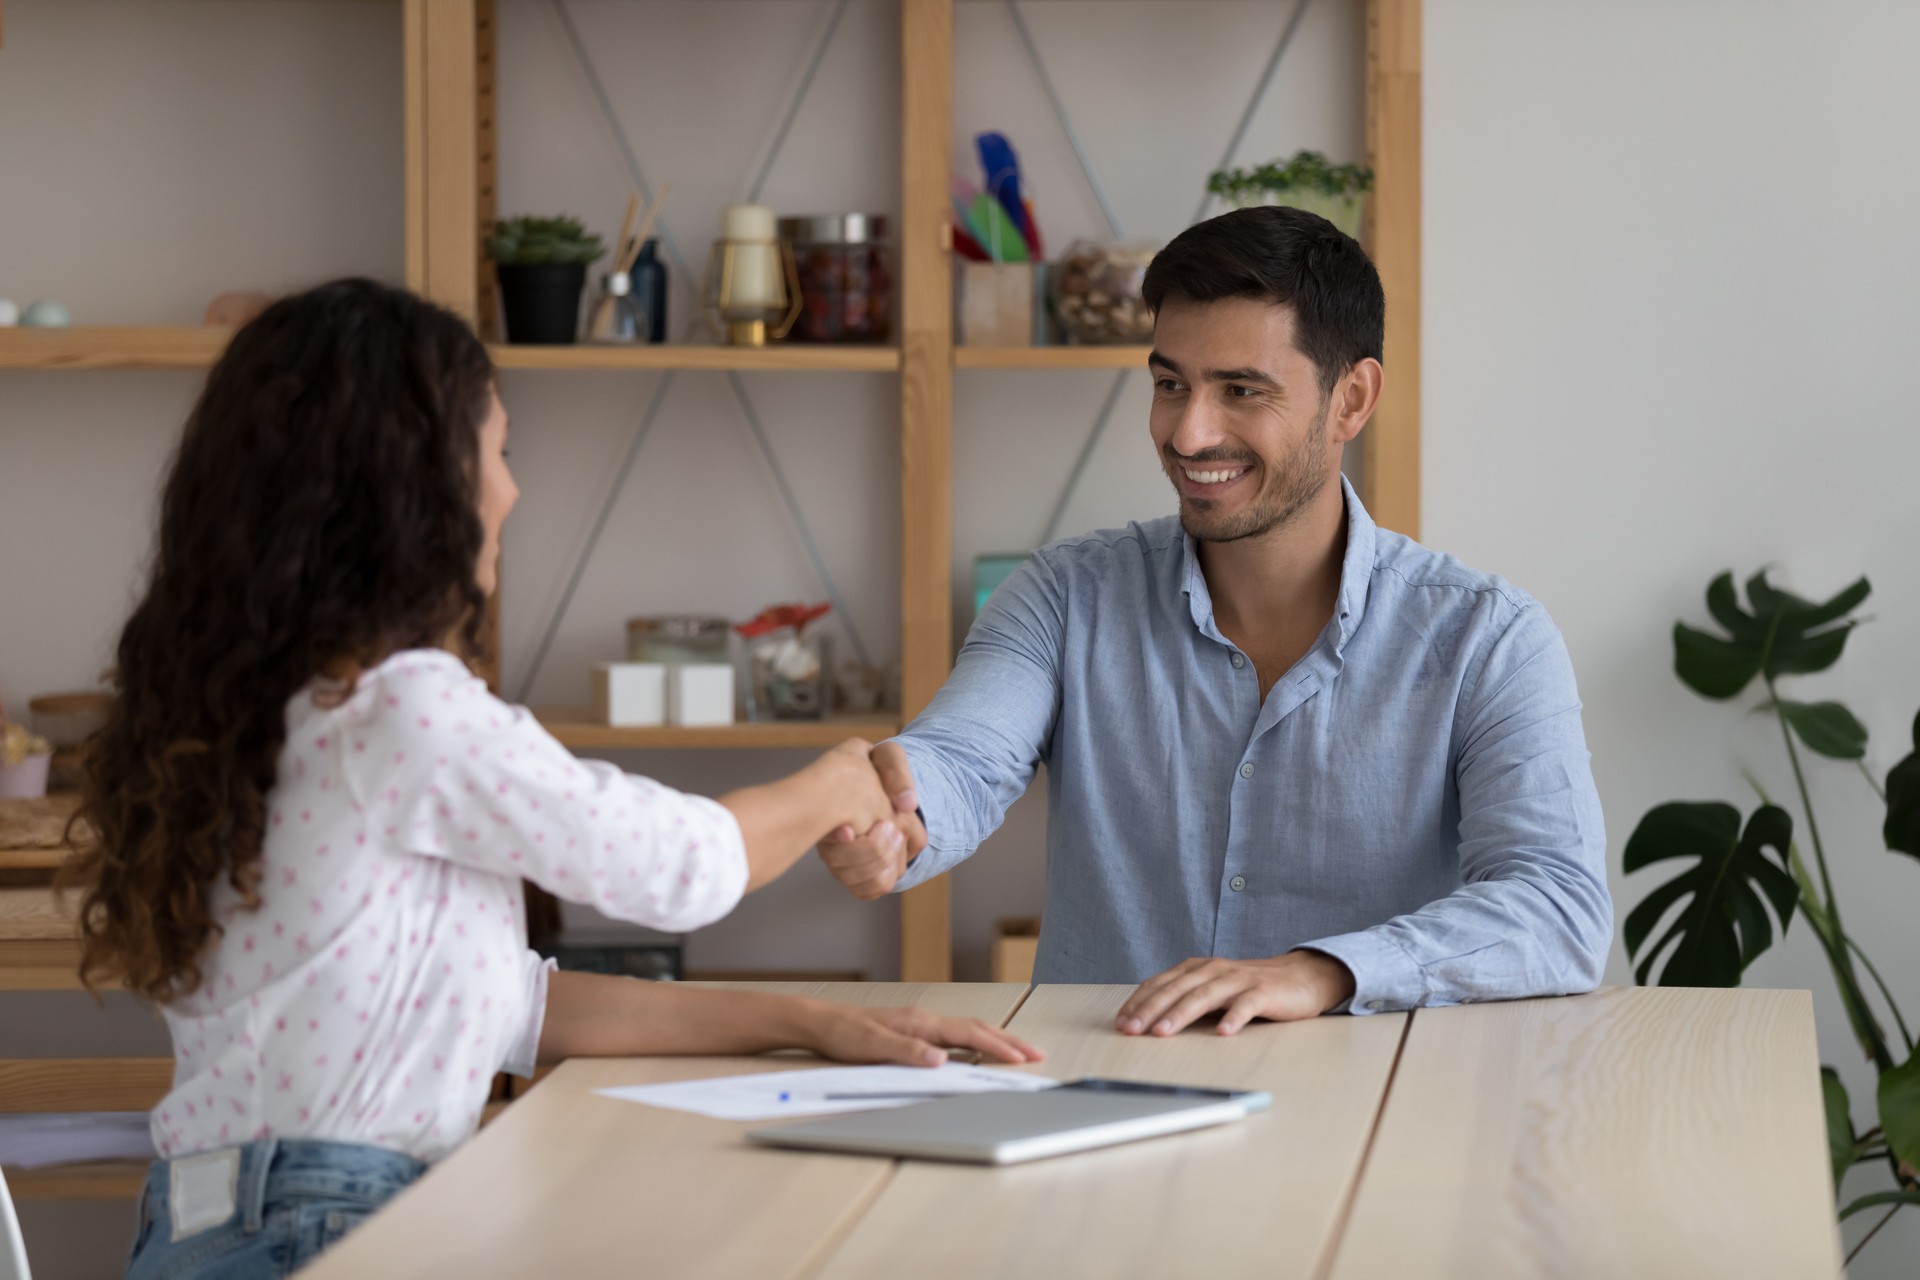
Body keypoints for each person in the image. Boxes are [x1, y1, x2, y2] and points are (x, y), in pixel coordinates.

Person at [63, 278, 1039, 1280]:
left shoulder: (260, 713)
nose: (513, 491)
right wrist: (835, 782)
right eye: (499, 449)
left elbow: (509, 1006)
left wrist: (810, 1019)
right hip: (325, 1224)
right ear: (414, 483)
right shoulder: (403, 710)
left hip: (205, 1225)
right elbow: (680, 867)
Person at [818, 205, 1612, 1037]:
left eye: (1241, 390)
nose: (1189, 433)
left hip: (1375, 1109)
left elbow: (1554, 906)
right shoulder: (1062, 596)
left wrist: (1324, 971)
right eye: (1170, 385)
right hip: (1107, 1098)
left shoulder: (1489, 639)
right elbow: (961, 760)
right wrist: (898, 820)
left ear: (1352, 399)